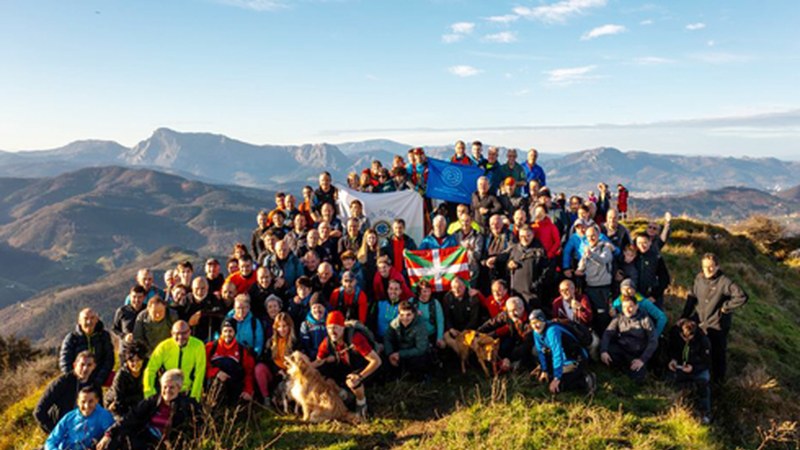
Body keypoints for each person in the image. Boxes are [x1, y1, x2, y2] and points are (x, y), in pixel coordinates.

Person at [681, 253, 748, 384]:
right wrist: (684, 316)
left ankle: (718, 382)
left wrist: (725, 308)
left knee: (718, 353)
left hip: (717, 324)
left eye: (711, 267)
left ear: (717, 266)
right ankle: (694, 375)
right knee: (696, 348)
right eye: (705, 266)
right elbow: (692, 298)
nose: (708, 269)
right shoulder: (699, 278)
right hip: (699, 320)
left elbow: (742, 297)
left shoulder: (725, 282)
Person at [97, 369, 201, 450]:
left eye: (171, 387)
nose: (167, 391)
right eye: (165, 387)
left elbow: (195, 427)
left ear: (179, 388)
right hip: (145, 439)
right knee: (116, 440)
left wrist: (174, 441)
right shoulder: (153, 401)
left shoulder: (187, 405)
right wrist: (109, 434)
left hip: (170, 444)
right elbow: (131, 417)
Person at [314, 311, 382, 418]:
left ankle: (361, 403)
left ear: (343, 327)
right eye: (329, 328)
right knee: (323, 372)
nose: (332, 331)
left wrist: (360, 377)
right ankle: (345, 395)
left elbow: (376, 361)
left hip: (364, 367)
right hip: (346, 367)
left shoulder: (356, 338)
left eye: (336, 327)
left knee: (352, 381)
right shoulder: (327, 342)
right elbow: (318, 362)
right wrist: (300, 367)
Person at [530, 309, 595, 394]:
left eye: (537, 322)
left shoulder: (552, 331)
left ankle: (586, 378)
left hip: (574, 358)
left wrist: (557, 378)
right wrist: (544, 370)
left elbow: (557, 353)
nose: (535, 326)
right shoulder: (536, 332)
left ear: (543, 321)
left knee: (560, 385)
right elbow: (541, 352)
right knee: (540, 377)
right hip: (561, 359)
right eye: (532, 323)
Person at [487, 226, 550, 309]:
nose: (524, 239)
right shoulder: (514, 249)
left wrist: (536, 285)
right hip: (516, 290)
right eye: (522, 236)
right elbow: (502, 262)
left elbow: (547, 271)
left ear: (533, 236)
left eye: (528, 236)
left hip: (532, 292)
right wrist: (508, 265)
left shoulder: (539, 252)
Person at [35, 351, 98, 434]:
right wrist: (56, 432)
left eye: (89, 365)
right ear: (75, 365)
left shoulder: (95, 385)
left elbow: (99, 409)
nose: (85, 368)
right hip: (64, 433)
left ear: (94, 367)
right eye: (82, 364)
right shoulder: (62, 383)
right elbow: (39, 411)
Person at [143, 321, 206, 401]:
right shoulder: (163, 346)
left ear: (190, 332)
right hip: (167, 392)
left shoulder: (198, 346)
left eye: (184, 333)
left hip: (186, 392)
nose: (180, 337)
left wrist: (194, 397)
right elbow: (150, 369)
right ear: (172, 333)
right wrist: (149, 393)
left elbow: (200, 373)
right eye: (177, 333)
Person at [600, 296, 659, 382]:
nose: (627, 309)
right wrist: (603, 351)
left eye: (630, 306)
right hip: (622, 349)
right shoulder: (618, 317)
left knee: (638, 378)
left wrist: (642, 360)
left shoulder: (645, 320)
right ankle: (621, 369)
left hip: (637, 353)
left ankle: (632, 370)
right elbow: (608, 333)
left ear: (636, 306)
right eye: (624, 307)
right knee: (605, 351)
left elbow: (653, 341)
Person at [667, 318, 713, 423]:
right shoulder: (675, 334)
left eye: (689, 337)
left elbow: (707, 362)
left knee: (704, 383)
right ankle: (673, 405)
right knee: (669, 381)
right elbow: (671, 349)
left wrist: (694, 368)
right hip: (679, 366)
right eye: (683, 337)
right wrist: (672, 360)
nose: (686, 340)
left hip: (698, 368)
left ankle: (705, 412)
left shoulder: (703, 340)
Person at [45, 386, 114, 450]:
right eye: (83, 402)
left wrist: (107, 437)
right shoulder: (69, 417)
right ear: (78, 402)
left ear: (97, 400)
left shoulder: (104, 416)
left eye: (91, 401)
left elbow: (112, 433)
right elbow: (51, 441)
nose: (86, 406)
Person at [205, 318, 256, 406]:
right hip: (214, 384)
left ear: (235, 332)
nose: (227, 334)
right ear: (221, 332)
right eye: (225, 331)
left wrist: (248, 390)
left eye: (230, 331)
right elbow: (202, 367)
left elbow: (248, 372)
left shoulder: (241, 350)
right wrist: (216, 372)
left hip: (234, 386)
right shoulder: (210, 347)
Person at [59, 308, 114, 387]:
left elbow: (109, 359)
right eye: (85, 319)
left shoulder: (104, 336)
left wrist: (99, 378)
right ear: (79, 321)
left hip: (99, 374)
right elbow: (65, 363)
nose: (89, 322)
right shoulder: (72, 338)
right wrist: (76, 379)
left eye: (92, 318)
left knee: (118, 379)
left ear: (97, 320)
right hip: (79, 376)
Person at [576, 225, 616, 331]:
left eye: (593, 235)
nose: (591, 238)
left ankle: (606, 339)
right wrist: (578, 270)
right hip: (590, 287)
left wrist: (591, 255)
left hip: (603, 287)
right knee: (592, 315)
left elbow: (604, 260)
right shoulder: (587, 250)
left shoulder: (605, 248)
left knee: (603, 315)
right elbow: (581, 266)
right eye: (588, 236)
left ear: (598, 235)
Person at [477, 296, 533, 371]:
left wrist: (509, 358)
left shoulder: (531, 320)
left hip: (528, 344)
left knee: (527, 353)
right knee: (503, 345)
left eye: (515, 310)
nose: (512, 314)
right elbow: (492, 323)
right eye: (509, 311)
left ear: (522, 308)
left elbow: (527, 344)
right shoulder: (507, 314)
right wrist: (477, 332)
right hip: (514, 337)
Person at [384, 301, 433, 379]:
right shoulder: (394, 324)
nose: (405, 318)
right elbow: (387, 339)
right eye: (402, 315)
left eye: (408, 315)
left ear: (414, 315)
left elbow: (421, 349)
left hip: (414, 353)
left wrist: (400, 354)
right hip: (399, 351)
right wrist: (390, 354)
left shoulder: (420, 326)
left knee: (420, 360)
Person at [105, 342, 146, 418]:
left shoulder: (148, 371)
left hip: (137, 404)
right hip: (117, 405)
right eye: (132, 361)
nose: (136, 364)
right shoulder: (121, 375)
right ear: (127, 362)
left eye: (138, 360)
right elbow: (119, 400)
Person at [633, 233, 671, 309]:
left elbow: (665, 278)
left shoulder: (656, 258)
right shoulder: (632, 256)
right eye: (639, 243)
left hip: (652, 296)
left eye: (645, 243)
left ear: (650, 242)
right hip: (635, 295)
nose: (642, 245)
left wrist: (655, 296)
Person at [226, 293, 265, 358]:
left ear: (248, 307)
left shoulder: (254, 322)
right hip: (230, 355)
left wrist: (255, 353)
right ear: (234, 308)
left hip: (248, 356)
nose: (241, 311)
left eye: (244, 308)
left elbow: (259, 341)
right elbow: (220, 337)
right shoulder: (228, 320)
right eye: (238, 308)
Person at [410, 280, 445, 348]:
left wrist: (439, 338)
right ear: (419, 292)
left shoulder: (435, 303)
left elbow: (440, 321)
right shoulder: (412, 301)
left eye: (429, 291)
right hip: (415, 334)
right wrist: (414, 314)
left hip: (431, 334)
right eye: (424, 291)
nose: (427, 294)